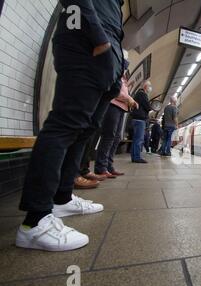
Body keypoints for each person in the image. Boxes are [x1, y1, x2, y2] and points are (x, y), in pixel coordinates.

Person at [16, 0, 126, 252]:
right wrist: (99, 38)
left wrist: (119, 67)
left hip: (107, 57)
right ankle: (35, 221)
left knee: (85, 130)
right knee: (65, 124)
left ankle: (62, 198)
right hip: (87, 43)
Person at [95, 56, 138, 177]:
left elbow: (122, 92)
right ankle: (101, 167)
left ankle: (109, 165)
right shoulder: (115, 74)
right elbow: (115, 91)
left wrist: (129, 99)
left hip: (120, 108)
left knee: (116, 137)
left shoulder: (124, 79)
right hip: (112, 106)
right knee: (109, 136)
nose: (125, 69)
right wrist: (129, 99)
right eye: (125, 66)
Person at [130, 81, 153, 163]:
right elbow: (148, 107)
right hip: (140, 119)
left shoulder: (139, 93)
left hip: (137, 119)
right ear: (145, 86)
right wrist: (150, 106)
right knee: (139, 139)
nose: (150, 88)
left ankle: (134, 156)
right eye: (149, 86)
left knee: (136, 138)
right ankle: (136, 157)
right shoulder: (142, 94)